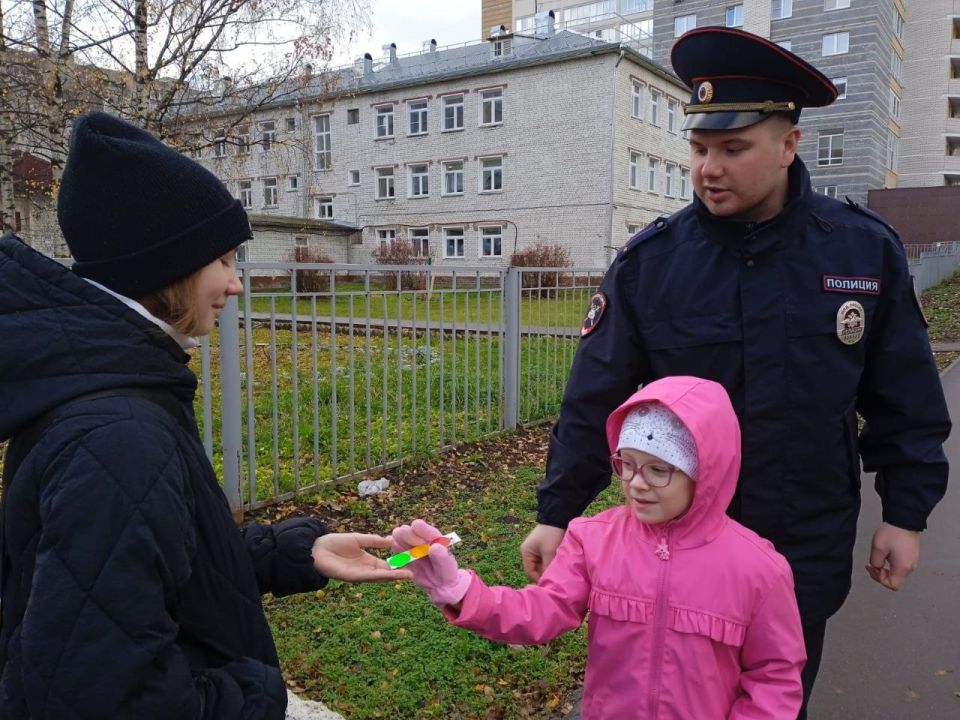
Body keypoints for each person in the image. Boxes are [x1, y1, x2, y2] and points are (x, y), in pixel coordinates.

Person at [519, 27, 951, 718]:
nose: (708, 169)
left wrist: (906, 514)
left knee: (777, 697)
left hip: (802, 540)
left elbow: (904, 396)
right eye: (699, 149)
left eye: (732, 148)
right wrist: (557, 513)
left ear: (788, 145)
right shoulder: (652, 264)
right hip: (676, 552)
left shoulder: (860, 251)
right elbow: (591, 397)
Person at [0, 112, 412, 719]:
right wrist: (262, 698)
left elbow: (135, 563)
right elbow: (103, 695)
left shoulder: (113, 388)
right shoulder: (118, 436)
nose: (236, 284)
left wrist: (290, 553)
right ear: (168, 266)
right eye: (222, 260)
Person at [393, 376, 806, 719]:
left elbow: (775, 677)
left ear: (706, 473)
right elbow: (544, 609)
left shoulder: (759, 569)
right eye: (625, 463)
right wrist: (464, 593)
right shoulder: (592, 539)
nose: (636, 483)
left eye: (659, 469)